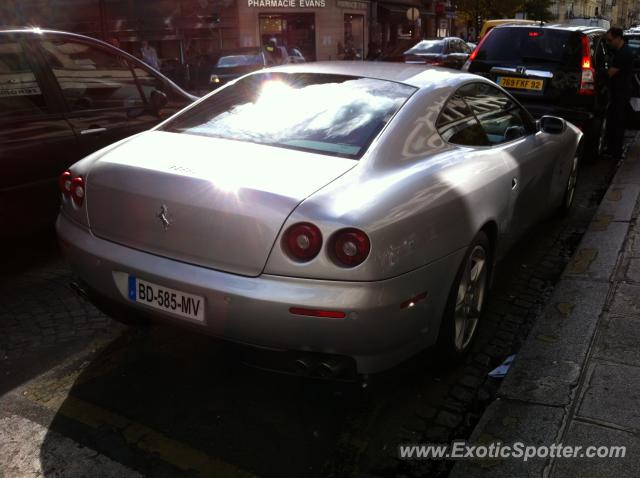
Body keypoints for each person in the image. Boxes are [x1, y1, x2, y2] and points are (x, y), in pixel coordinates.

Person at [605, 27, 634, 160]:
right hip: (620, 92)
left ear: (618, 38)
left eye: (610, 40)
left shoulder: (623, 54)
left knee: (618, 123)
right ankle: (612, 149)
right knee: (615, 121)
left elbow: (610, 73)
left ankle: (615, 152)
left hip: (620, 93)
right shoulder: (621, 51)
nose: (609, 43)